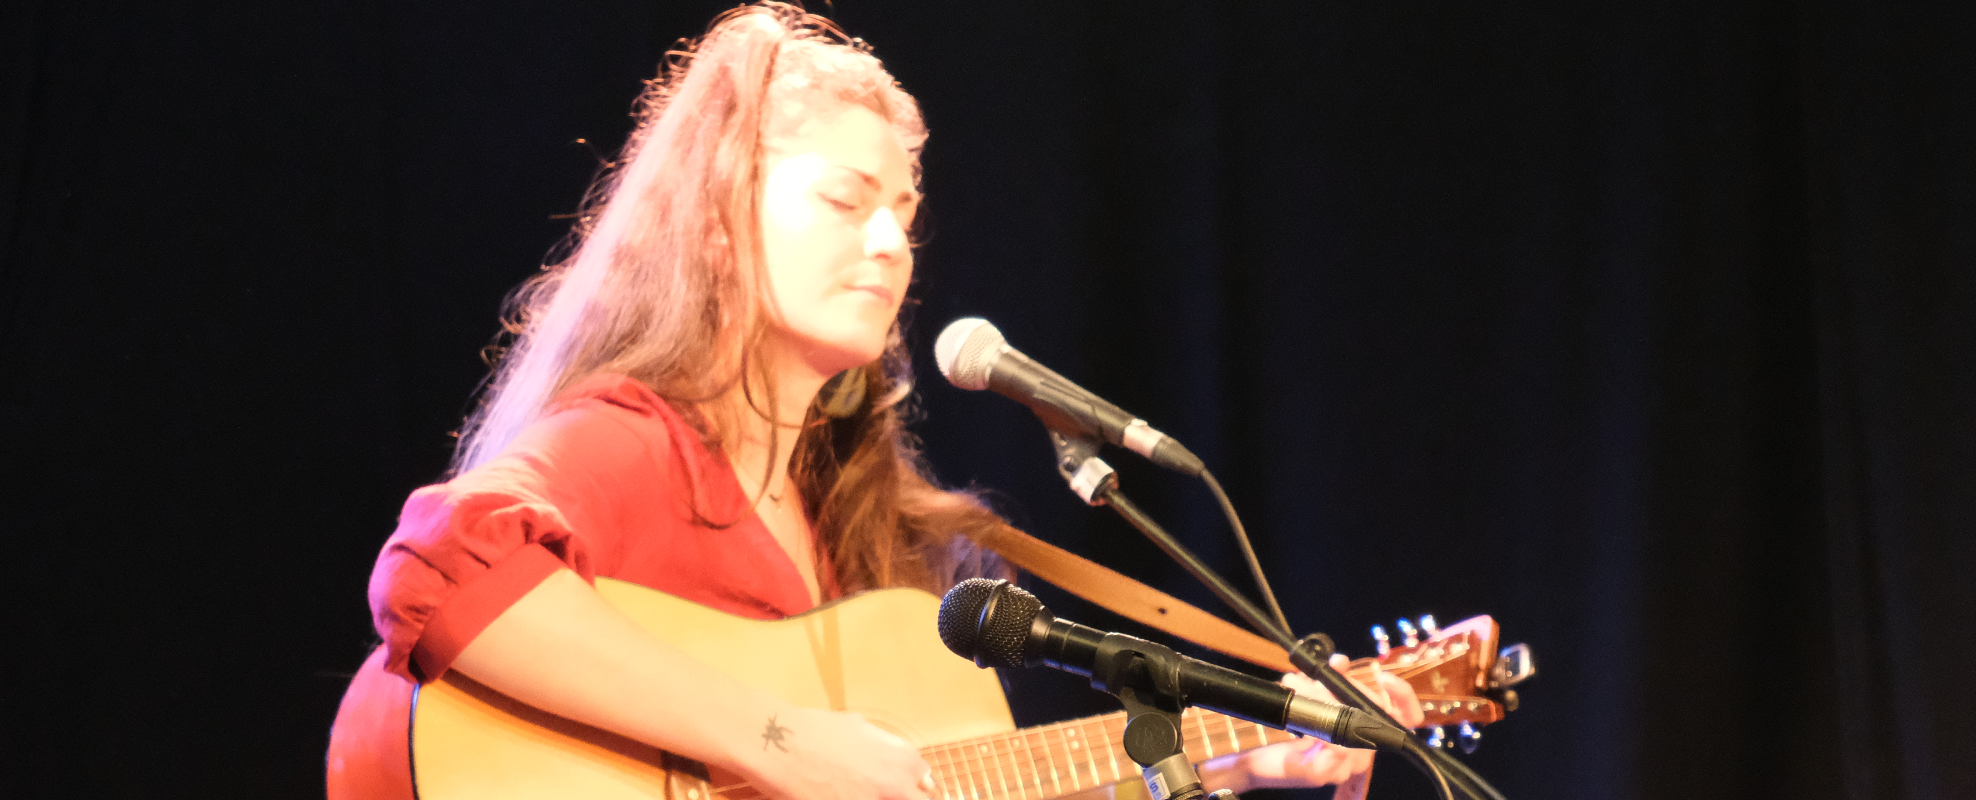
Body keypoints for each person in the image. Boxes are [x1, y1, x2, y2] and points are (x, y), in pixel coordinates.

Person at [324, 5, 1421, 799]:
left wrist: (1245, 746)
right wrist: (775, 735)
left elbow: (934, 781)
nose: (894, 241)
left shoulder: (858, 525)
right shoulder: (636, 445)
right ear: (716, 222)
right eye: (846, 200)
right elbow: (442, 566)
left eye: (905, 207)